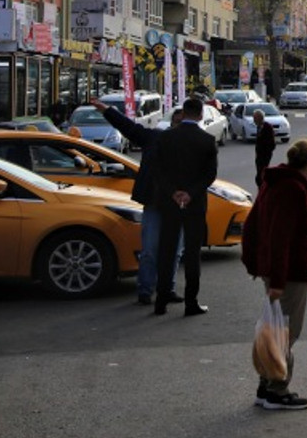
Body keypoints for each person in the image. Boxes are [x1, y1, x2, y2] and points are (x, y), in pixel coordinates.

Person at [241, 138, 307, 411]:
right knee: (285, 332)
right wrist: (276, 280)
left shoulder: (273, 182)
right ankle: (278, 389)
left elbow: (253, 225)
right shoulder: (293, 188)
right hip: (289, 273)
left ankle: (266, 386)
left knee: (275, 329)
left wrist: (255, 263)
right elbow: (281, 237)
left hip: (276, 269)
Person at [91, 97, 184, 306]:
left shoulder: (193, 144)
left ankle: (167, 288)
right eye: (177, 122)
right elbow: (129, 128)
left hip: (178, 207)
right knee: (150, 250)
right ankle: (145, 290)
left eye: (184, 123)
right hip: (154, 203)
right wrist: (107, 110)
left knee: (175, 251)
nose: (180, 127)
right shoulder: (154, 138)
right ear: (172, 124)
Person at [151, 97, 218, 317]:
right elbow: (210, 175)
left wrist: (173, 192)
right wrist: (190, 193)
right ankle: (191, 302)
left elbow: (157, 170)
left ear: (183, 113)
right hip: (195, 203)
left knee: (166, 250)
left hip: (169, 202)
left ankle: (160, 301)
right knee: (192, 253)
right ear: (200, 115)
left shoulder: (166, 138)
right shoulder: (207, 141)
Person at [253, 109, 276, 188]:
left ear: (260, 118)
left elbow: (272, 143)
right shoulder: (259, 127)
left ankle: (264, 188)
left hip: (265, 155)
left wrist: (266, 152)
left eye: (255, 118)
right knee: (259, 174)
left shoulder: (267, 127)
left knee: (260, 176)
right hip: (259, 155)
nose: (254, 120)